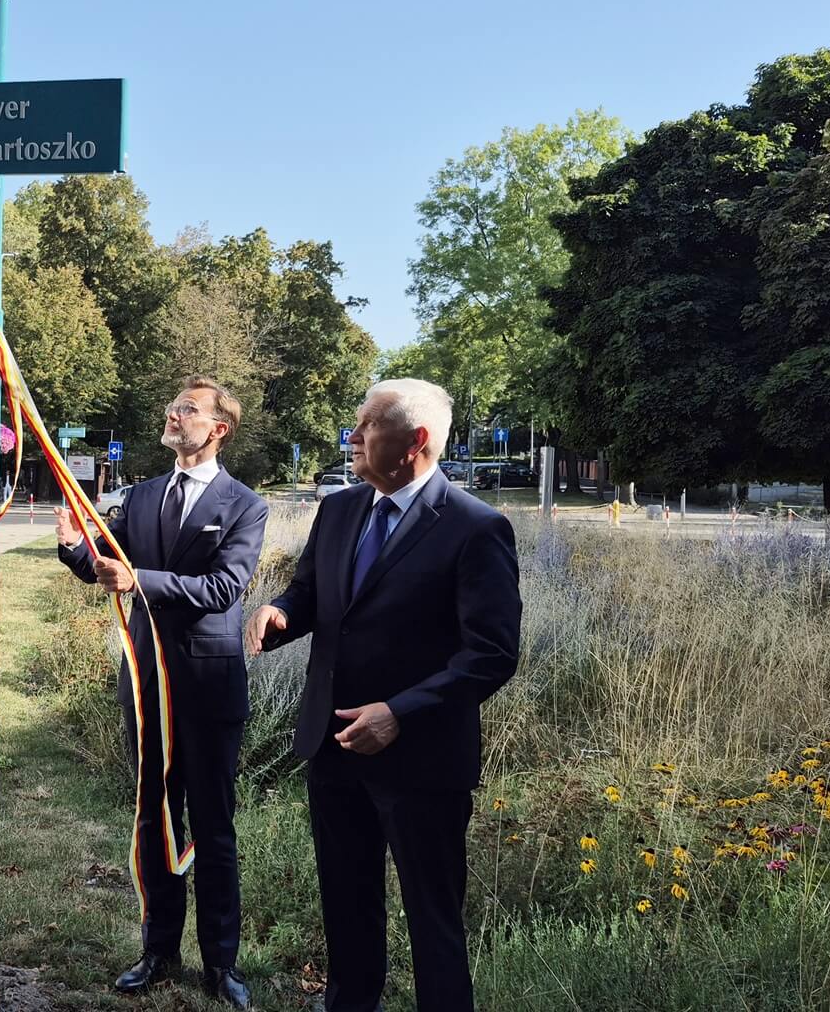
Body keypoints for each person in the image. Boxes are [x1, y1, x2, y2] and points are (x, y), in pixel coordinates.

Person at [245, 378, 521, 1012]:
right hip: (333, 748)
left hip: (422, 764)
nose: (353, 437)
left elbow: (492, 654)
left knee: (434, 919)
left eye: (367, 425)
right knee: (346, 904)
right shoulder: (341, 509)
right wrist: (282, 613)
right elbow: (312, 593)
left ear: (415, 441)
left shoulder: (476, 529)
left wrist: (399, 713)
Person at [55, 377, 268, 1008]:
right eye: (174, 408)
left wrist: (138, 577)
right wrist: (73, 548)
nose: (174, 416)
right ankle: (157, 950)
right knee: (153, 818)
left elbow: (224, 590)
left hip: (206, 687)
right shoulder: (143, 496)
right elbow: (107, 565)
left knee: (213, 825)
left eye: (189, 410)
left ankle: (221, 963)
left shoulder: (244, 505)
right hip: (145, 683)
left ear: (218, 429)